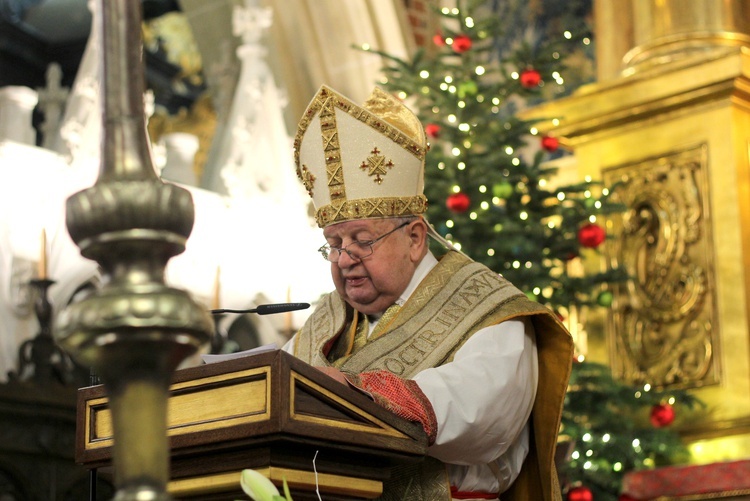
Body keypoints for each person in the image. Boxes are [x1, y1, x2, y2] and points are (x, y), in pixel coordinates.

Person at [283, 84, 573, 501]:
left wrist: (354, 393)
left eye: (362, 240)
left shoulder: (487, 309)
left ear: (415, 237)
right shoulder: (325, 322)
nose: (344, 259)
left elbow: (480, 414)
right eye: (334, 244)